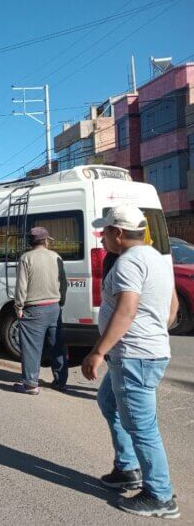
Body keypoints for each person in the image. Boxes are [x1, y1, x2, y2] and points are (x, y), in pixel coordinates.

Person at [82, 205, 180, 519]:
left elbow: (126, 310)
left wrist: (97, 352)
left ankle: (161, 496)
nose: (102, 236)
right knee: (108, 401)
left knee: (142, 427)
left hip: (134, 357)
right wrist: (154, 332)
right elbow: (172, 306)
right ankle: (127, 469)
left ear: (119, 233)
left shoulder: (128, 263)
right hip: (143, 351)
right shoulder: (156, 258)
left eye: (105, 231)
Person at [12, 227, 68, 395]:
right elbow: (63, 282)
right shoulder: (56, 256)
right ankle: (60, 381)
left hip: (34, 308)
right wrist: (61, 302)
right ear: (45, 240)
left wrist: (18, 306)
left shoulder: (25, 258)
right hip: (54, 307)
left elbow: (21, 286)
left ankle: (30, 384)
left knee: (31, 348)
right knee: (57, 345)